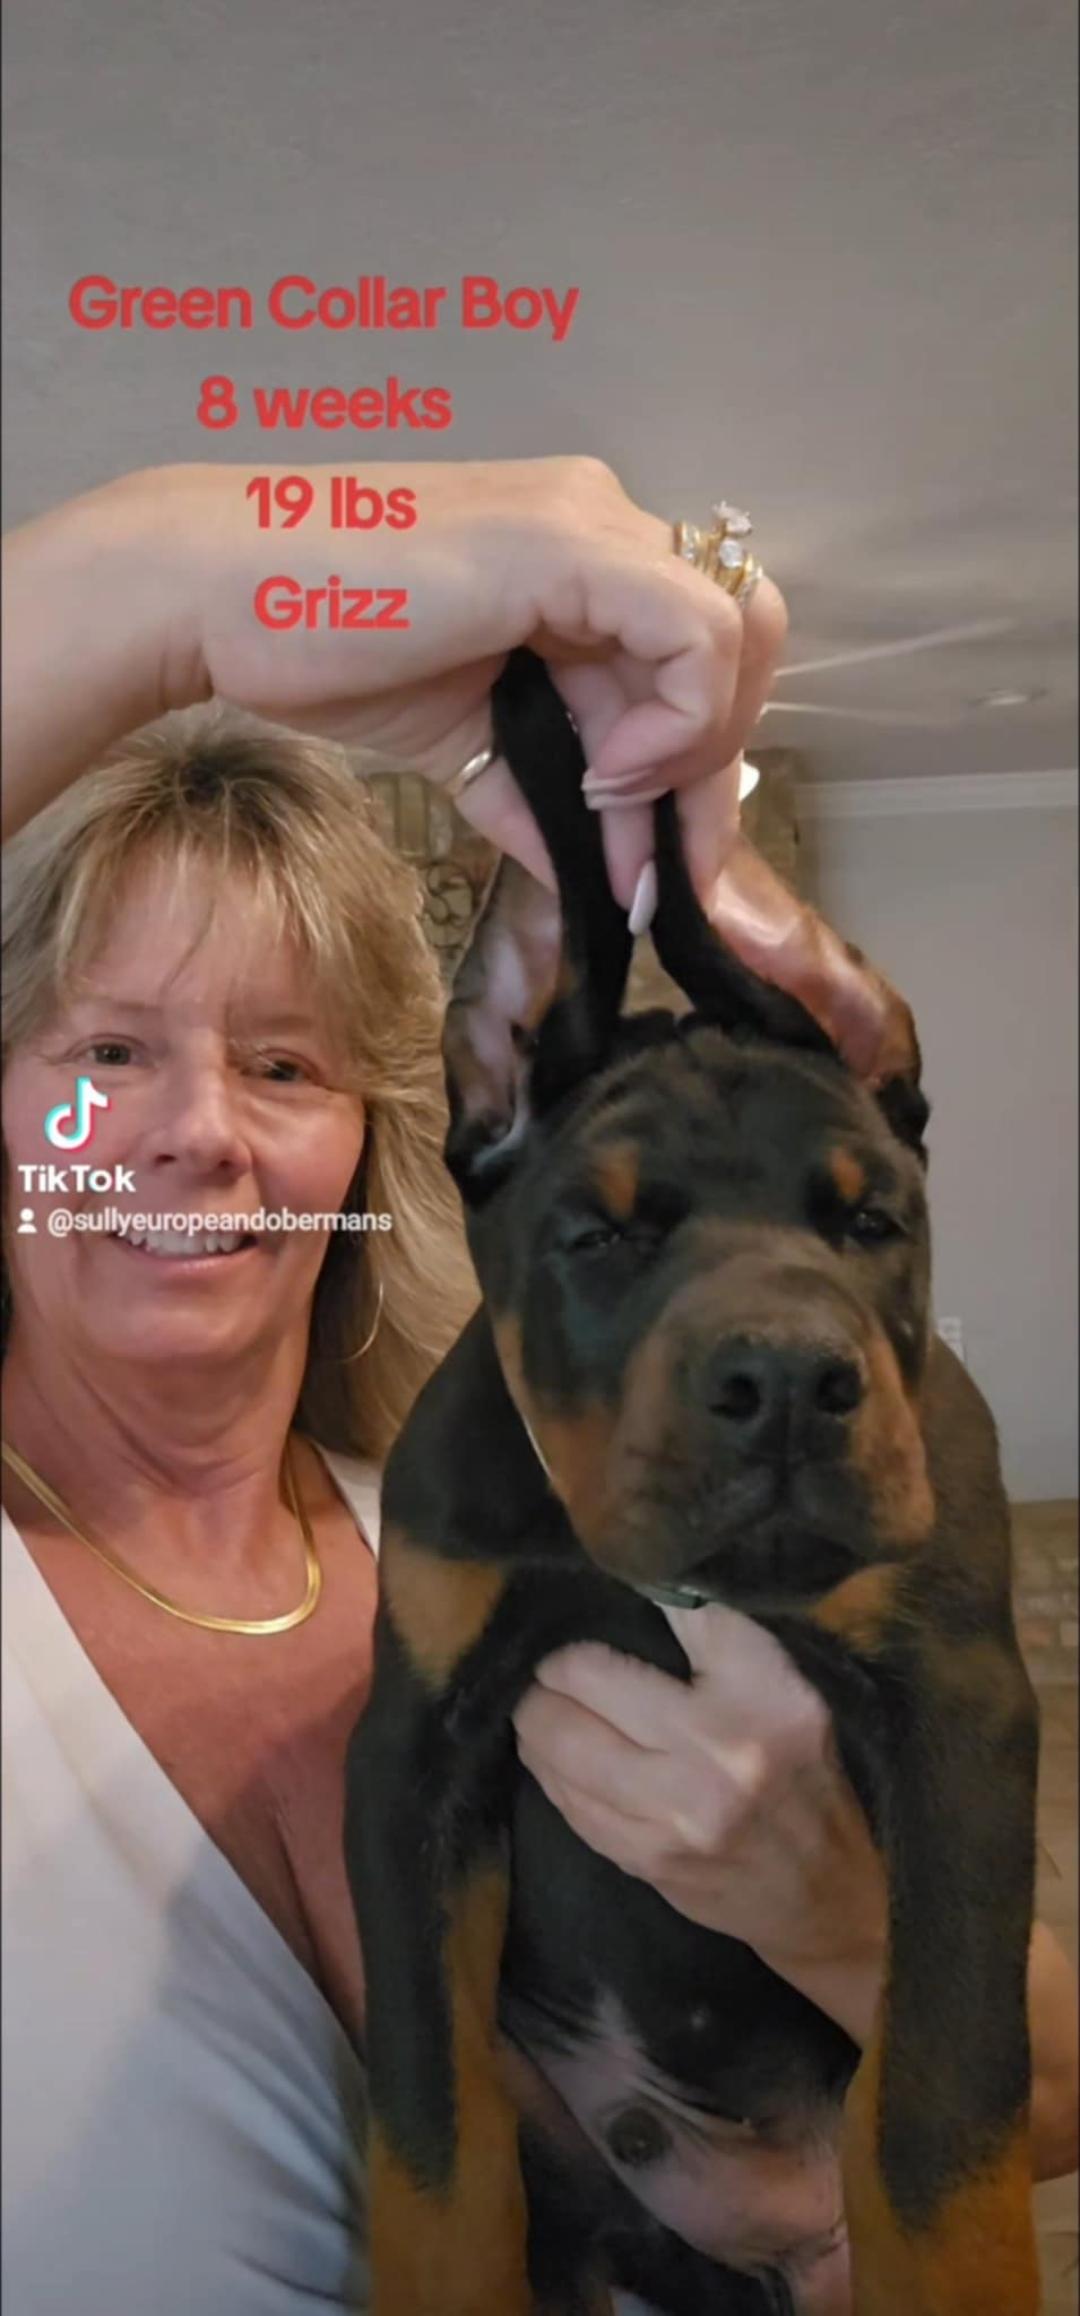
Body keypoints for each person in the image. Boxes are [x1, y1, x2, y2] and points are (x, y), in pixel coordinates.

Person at [2, 460, 1076, 2316]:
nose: (198, 1135)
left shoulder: (474, 1501)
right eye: (105, 1052)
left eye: (284, 1064)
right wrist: (177, 588)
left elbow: (1056, 2096)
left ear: (386, 1133)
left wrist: (829, 1914)